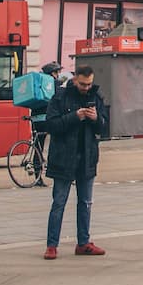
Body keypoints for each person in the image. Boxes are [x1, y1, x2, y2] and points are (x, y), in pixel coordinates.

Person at [42, 64, 110, 258]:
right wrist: (75, 116)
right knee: (59, 202)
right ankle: (52, 245)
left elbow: (104, 128)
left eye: (89, 84)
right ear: (74, 79)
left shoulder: (96, 97)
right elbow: (52, 125)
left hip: (87, 157)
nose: (86, 87)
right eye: (82, 84)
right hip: (64, 157)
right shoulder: (60, 97)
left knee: (86, 202)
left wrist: (97, 118)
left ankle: (83, 242)